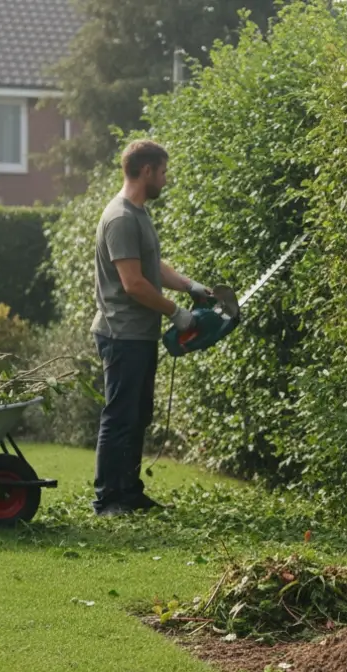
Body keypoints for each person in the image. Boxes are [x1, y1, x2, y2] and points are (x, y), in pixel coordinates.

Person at [91, 139, 211, 515]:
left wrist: (190, 286)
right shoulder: (122, 217)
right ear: (146, 171)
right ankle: (108, 498)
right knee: (120, 415)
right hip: (121, 332)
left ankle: (129, 492)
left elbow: (152, 267)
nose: (165, 178)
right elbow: (133, 283)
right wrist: (177, 313)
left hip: (138, 334)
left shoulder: (138, 214)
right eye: (162, 171)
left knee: (138, 414)